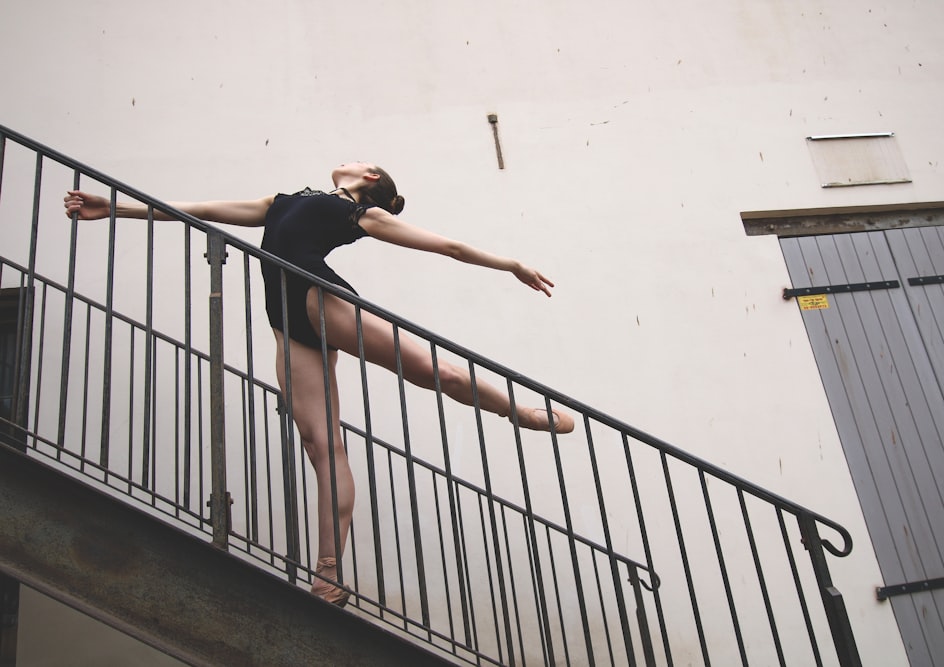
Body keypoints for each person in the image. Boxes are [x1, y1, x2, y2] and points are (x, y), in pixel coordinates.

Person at [63, 161, 574, 607]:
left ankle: (519, 412)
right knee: (321, 445)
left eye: (360, 158)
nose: (347, 157)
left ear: (367, 177)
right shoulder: (284, 201)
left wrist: (510, 264)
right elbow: (202, 209)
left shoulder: (357, 213)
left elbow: (449, 247)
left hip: (317, 295)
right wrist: (114, 207)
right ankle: (328, 573)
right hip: (285, 319)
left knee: (436, 372)